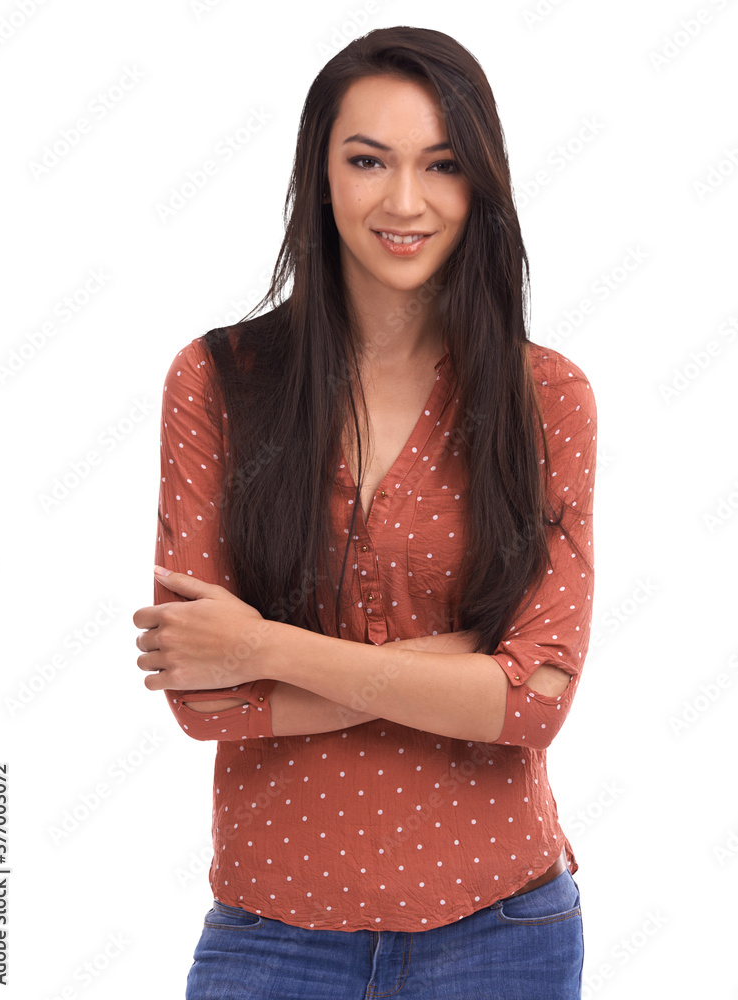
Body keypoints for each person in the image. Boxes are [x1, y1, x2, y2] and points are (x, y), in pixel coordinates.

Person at [132, 25, 597, 1000]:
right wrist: (455, 666)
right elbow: (201, 697)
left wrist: (264, 647)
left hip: (501, 926)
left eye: (440, 165)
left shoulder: (542, 398)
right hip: (271, 930)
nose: (402, 201)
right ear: (320, 173)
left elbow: (529, 706)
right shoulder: (217, 383)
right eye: (366, 161)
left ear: (481, 185)